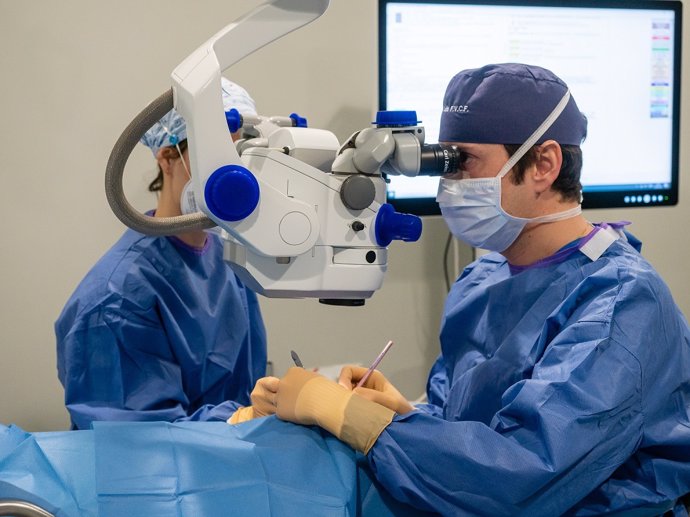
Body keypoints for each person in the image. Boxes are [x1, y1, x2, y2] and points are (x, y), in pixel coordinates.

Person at [268, 64, 690, 516]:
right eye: (443, 162)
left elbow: (520, 475)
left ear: (544, 165)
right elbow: (464, 428)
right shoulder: (481, 280)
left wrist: (353, 418)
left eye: (463, 161)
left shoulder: (622, 304)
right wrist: (403, 415)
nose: (449, 184)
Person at [56, 77, 276, 430]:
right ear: (167, 157)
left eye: (239, 158)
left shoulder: (227, 258)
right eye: (212, 158)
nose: (230, 177)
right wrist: (246, 418)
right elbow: (143, 442)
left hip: (226, 465)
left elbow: (243, 387)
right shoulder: (117, 300)